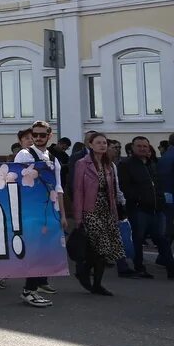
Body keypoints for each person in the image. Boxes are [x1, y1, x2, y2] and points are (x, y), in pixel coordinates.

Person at [12, 121, 64, 307]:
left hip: (49, 208)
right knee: (34, 249)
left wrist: (63, 215)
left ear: (50, 135)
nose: (38, 138)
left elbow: (59, 188)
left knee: (44, 249)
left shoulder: (53, 158)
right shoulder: (25, 154)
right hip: (30, 209)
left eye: (43, 134)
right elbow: (15, 181)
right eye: (35, 134)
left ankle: (35, 287)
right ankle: (29, 290)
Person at [72, 133, 123, 295]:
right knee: (100, 247)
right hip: (90, 209)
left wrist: (115, 211)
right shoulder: (82, 164)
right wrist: (78, 216)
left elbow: (113, 191)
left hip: (106, 209)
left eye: (105, 143)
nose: (102, 145)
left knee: (103, 250)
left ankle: (96, 282)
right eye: (98, 143)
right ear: (90, 145)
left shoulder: (109, 164)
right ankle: (85, 272)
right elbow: (78, 190)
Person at [118, 136, 172, 279]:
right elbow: (125, 187)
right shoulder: (126, 164)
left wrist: (160, 200)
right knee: (138, 238)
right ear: (133, 148)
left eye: (145, 146)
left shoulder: (151, 163)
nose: (142, 148)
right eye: (139, 146)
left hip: (156, 209)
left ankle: (171, 268)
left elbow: (157, 184)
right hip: (139, 209)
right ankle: (139, 267)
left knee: (161, 239)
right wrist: (139, 199)